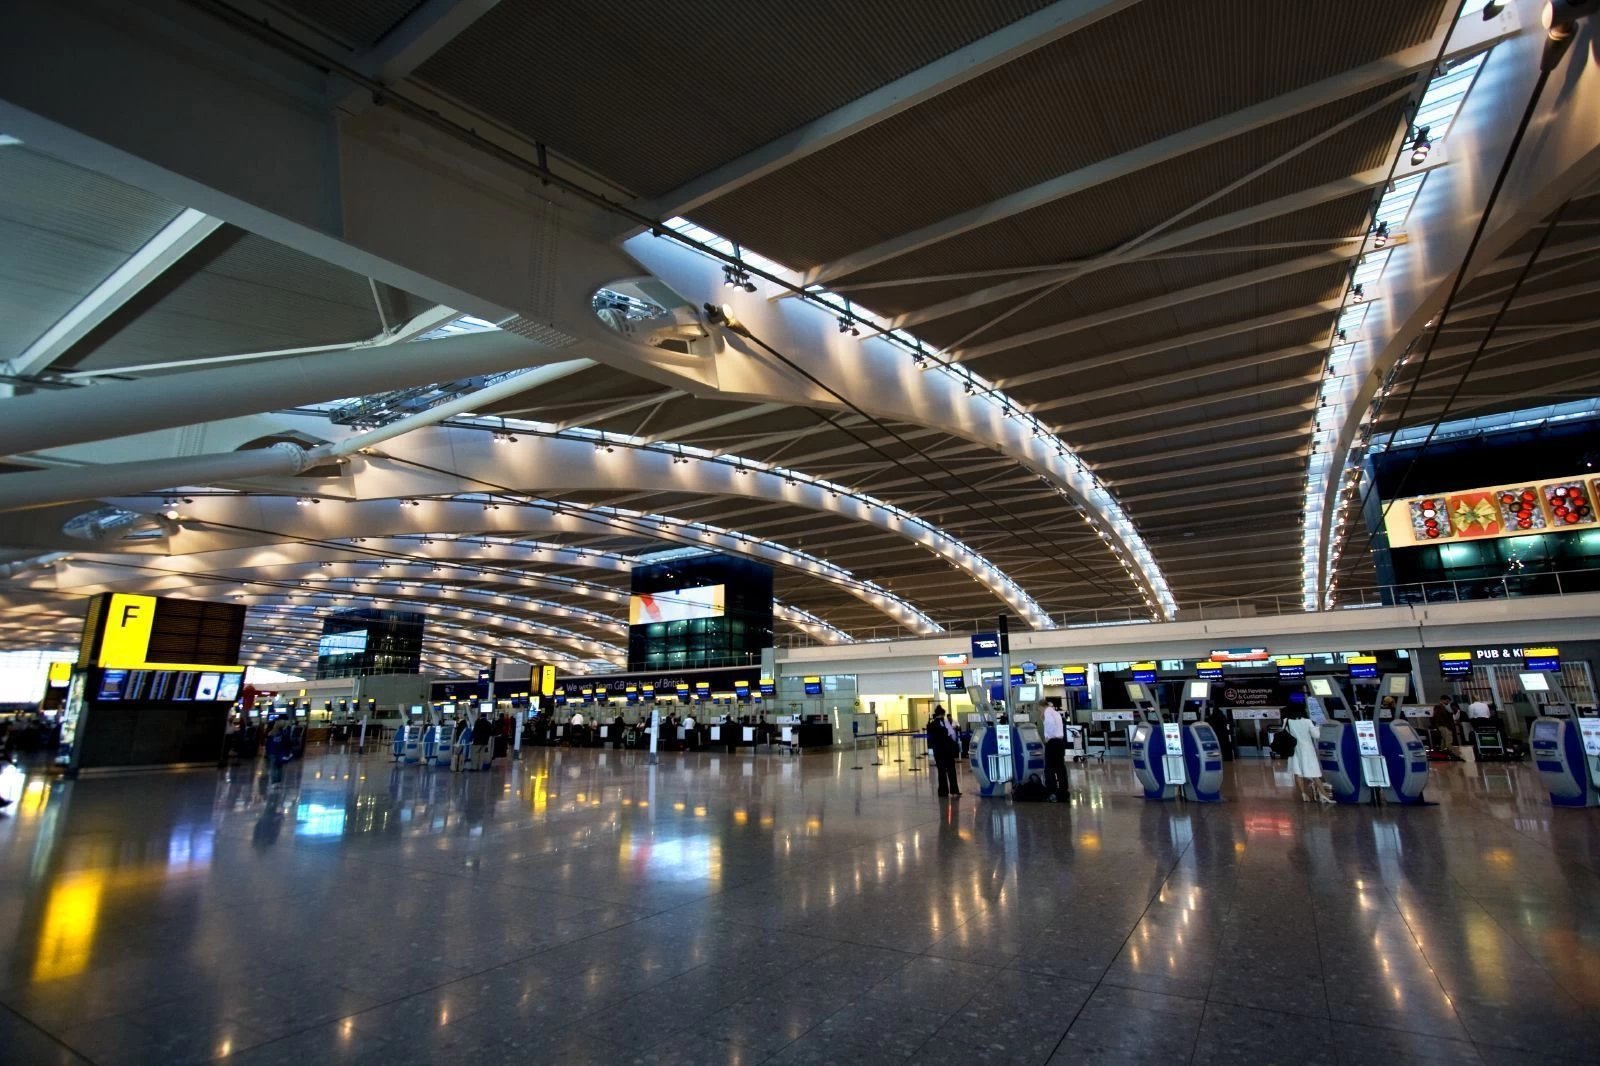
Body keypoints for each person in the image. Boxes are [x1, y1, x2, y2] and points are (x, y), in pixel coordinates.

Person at [1283, 706, 1328, 804]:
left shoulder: (1287, 721)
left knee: (1298, 772)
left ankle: (1304, 794)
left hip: (1294, 749)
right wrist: (1316, 726)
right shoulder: (1307, 721)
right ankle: (1324, 794)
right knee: (1314, 772)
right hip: (1307, 749)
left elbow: (1285, 733)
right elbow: (1316, 735)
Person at [927, 706, 961, 798]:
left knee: (941, 772)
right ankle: (954, 790)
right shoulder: (945, 723)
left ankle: (943, 792)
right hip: (947, 750)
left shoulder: (931, 725)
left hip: (938, 751)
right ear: (942, 714)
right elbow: (953, 734)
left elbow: (930, 740)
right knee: (951, 771)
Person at [1040, 697, 1067, 802]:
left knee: (1049, 769)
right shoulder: (1055, 713)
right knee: (1060, 769)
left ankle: (1052, 793)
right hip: (1060, 743)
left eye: (1039, 709)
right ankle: (1063, 792)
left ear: (1042, 706)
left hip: (1052, 743)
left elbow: (1050, 726)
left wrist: (1047, 738)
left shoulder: (1047, 712)